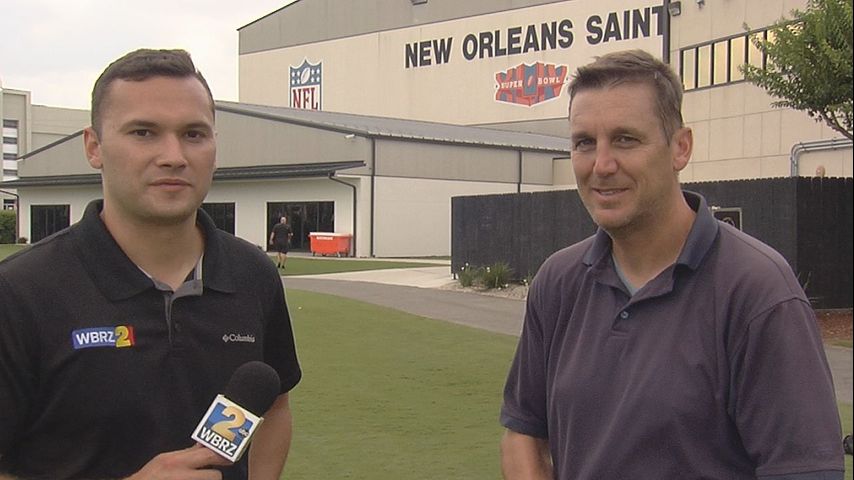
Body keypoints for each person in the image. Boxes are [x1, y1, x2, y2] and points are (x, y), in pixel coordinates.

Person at [499, 50, 843, 479]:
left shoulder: (758, 292)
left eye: (626, 139)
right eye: (584, 142)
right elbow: (524, 433)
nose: (602, 165)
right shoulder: (558, 281)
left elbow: (804, 470)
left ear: (681, 148)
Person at [0, 49, 301, 479]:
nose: (174, 155)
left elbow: (275, 406)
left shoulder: (253, 274)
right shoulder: (19, 292)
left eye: (194, 134)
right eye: (144, 132)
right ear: (94, 147)